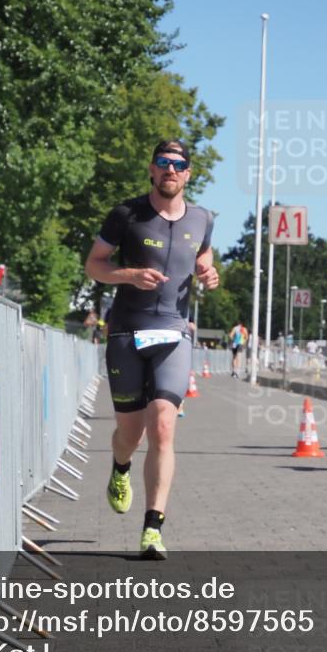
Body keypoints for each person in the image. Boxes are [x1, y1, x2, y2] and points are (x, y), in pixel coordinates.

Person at [85, 140, 219, 558]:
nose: (170, 170)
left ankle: (152, 529)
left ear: (188, 174)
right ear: (151, 169)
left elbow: (204, 255)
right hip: (127, 332)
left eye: (178, 165)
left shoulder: (202, 218)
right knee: (130, 434)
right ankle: (120, 467)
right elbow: (94, 264)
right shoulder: (127, 214)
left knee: (162, 423)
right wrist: (127, 274)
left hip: (174, 333)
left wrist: (209, 272)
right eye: (163, 163)